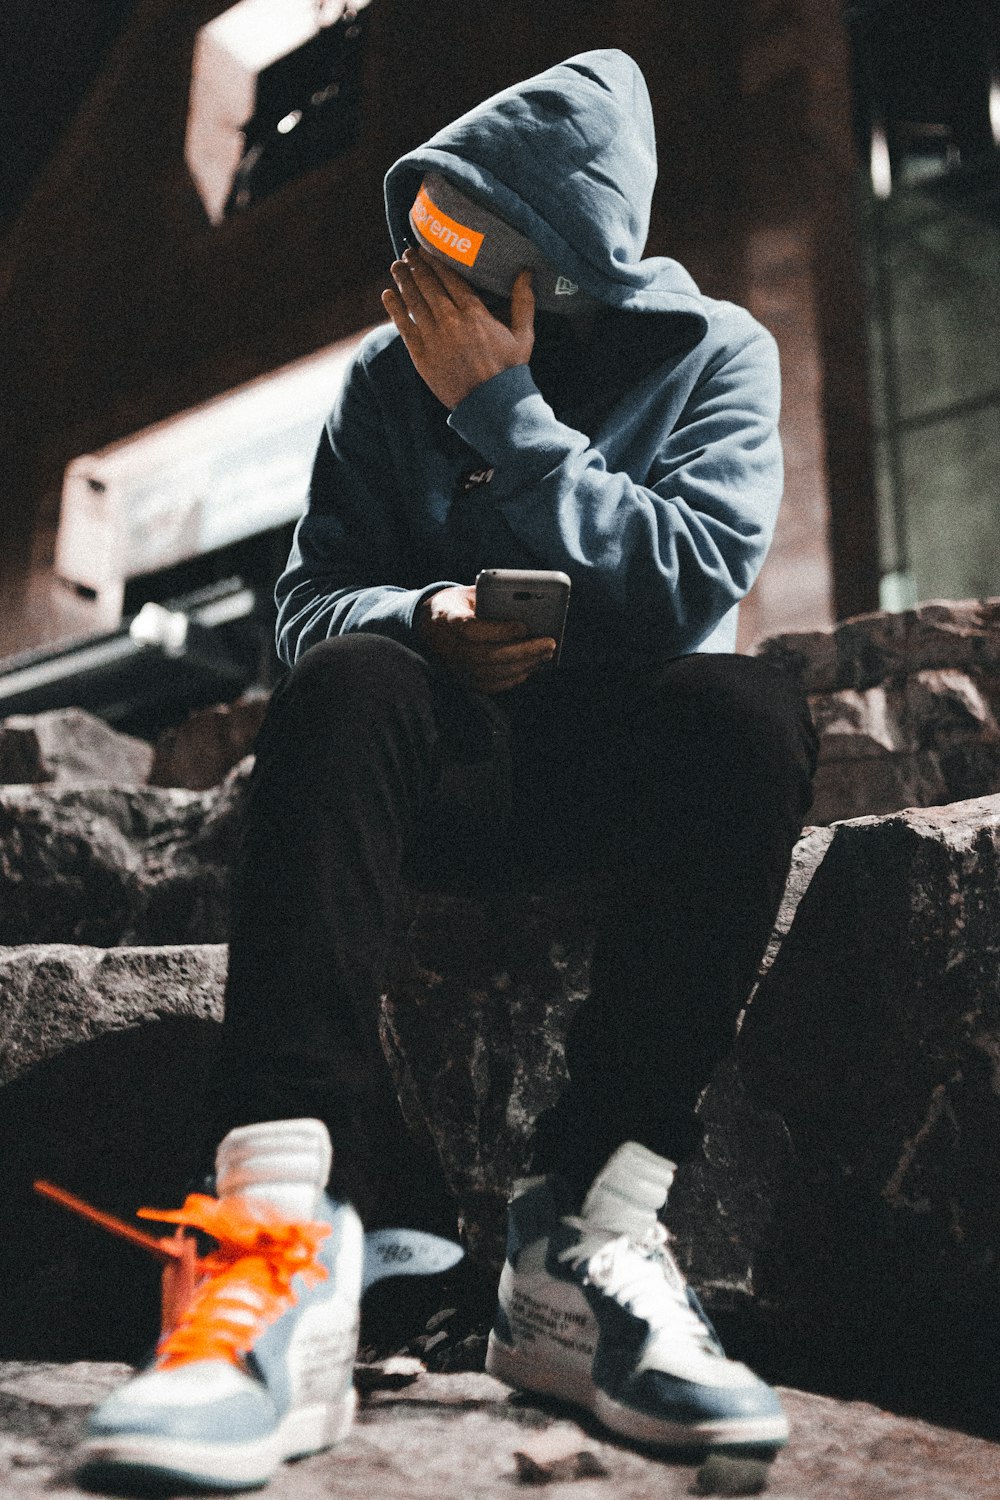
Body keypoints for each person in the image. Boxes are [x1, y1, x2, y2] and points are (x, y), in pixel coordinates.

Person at [81, 48, 818, 1489]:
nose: (430, 270)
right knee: (351, 675)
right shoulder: (381, 377)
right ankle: (283, 1222)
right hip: (433, 768)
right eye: (421, 230)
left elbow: (687, 582)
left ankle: (588, 1235)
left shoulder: (717, 350)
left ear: (574, 246)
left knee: (749, 712)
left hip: (619, 774)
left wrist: (505, 414)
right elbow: (308, 607)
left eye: (472, 238)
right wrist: (424, 617)